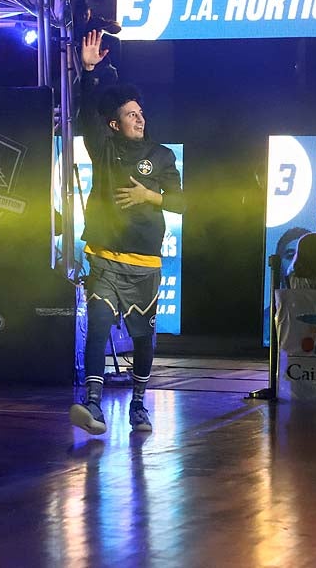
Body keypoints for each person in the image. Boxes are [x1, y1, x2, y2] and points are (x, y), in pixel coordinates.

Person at [69, 30, 185, 436]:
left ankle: (138, 405)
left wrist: (149, 196)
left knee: (143, 341)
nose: (140, 118)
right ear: (114, 124)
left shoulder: (162, 156)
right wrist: (87, 71)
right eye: (132, 114)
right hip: (104, 256)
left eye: (141, 113)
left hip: (144, 264)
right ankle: (94, 406)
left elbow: (183, 202)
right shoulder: (104, 149)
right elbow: (86, 116)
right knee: (98, 326)